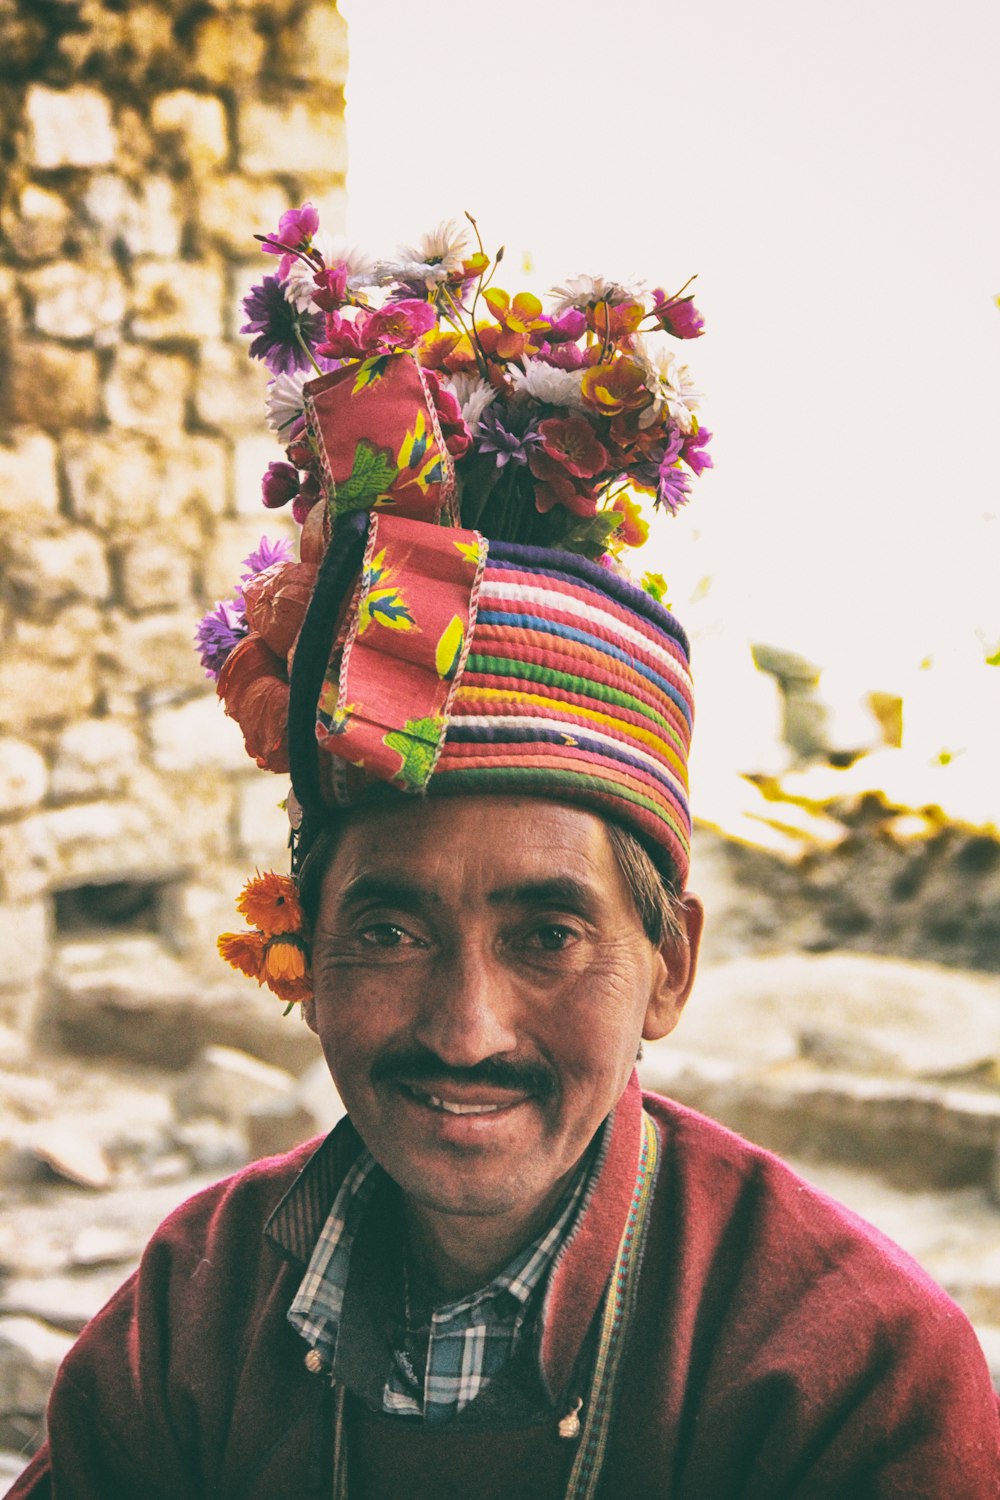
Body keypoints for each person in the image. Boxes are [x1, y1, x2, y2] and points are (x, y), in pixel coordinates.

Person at [11, 213, 999, 1499]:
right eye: (388, 929)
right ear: (303, 951)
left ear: (668, 968)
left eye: (547, 935)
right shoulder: (192, 1315)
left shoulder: (852, 1379)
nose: (466, 1030)